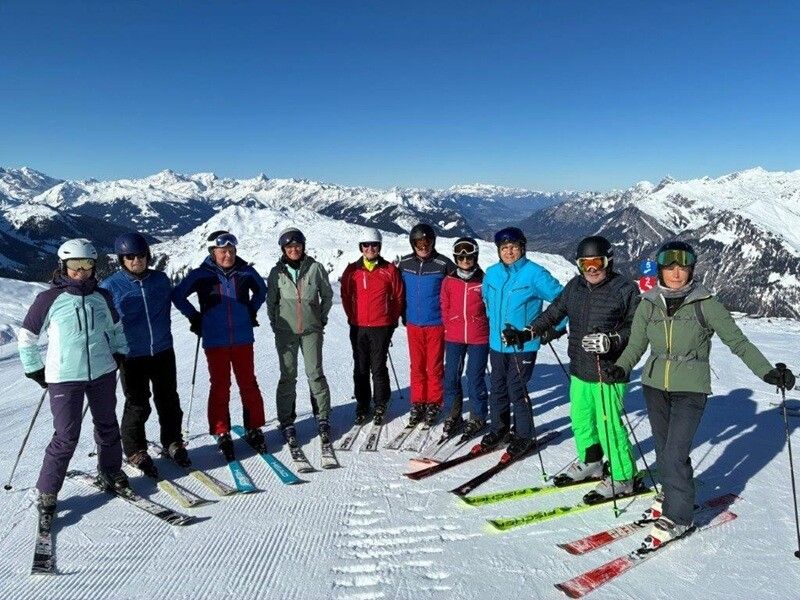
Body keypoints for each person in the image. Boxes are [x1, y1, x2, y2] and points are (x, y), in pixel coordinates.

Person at [605, 240, 796, 549]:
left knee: (675, 452)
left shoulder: (706, 304)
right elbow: (636, 345)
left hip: (691, 387)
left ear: (691, 270)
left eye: (682, 268)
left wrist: (767, 372)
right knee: (664, 449)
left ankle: (679, 517)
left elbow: (738, 342)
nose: (676, 273)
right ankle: (672, 493)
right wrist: (621, 367)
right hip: (654, 385)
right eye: (670, 267)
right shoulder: (648, 303)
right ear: (660, 271)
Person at [522, 235, 641, 502]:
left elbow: (636, 328)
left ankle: (623, 476)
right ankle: (592, 462)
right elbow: (554, 313)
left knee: (609, 426)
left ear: (608, 261)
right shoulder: (575, 286)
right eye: (585, 264)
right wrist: (529, 331)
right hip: (579, 368)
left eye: (597, 262)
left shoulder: (625, 289)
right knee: (581, 420)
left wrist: (611, 340)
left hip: (609, 371)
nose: (592, 269)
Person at [18, 238, 130, 517]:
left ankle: (110, 471)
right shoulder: (48, 299)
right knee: (66, 436)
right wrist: (34, 368)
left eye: (87, 264)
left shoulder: (102, 297)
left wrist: (120, 352)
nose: (81, 271)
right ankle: (47, 490)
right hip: (64, 376)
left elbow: (116, 328)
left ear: (94, 266)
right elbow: (27, 336)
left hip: (102, 372)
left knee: (107, 426)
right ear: (63, 265)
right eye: (75, 264)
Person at [172, 230, 267, 460]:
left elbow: (262, 291)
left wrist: (250, 310)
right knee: (220, 386)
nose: (228, 255)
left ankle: (254, 427)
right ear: (212, 252)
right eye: (222, 251)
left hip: (243, 338)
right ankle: (221, 430)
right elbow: (178, 295)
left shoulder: (245, 272)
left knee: (248, 383)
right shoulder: (201, 275)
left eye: (231, 250)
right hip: (215, 340)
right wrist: (195, 317)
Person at [100, 232, 188, 473]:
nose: (136, 260)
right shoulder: (110, 287)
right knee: (138, 404)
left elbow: (179, 300)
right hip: (131, 355)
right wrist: (108, 349)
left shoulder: (160, 280)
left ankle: (173, 442)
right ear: (122, 259)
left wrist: (196, 316)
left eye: (140, 255)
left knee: (169, 400)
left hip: (162, 350)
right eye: (130, 256)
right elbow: (102, 322)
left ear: (148, 256)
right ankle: (135, 450)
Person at [481, 227, 563, 458]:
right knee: (497, 388)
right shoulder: (492, 273)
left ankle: (524, 436)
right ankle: (499, 429)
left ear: (522, 248)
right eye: (504, 248)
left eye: (514, 247)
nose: (509, 252)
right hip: (497, 344)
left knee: (515, 389)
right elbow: (487, 301)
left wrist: (552, 329)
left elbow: (564, 301)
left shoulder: (535, 274)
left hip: (523, 345)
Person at [267, 227, 334, 446]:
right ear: (283, 249)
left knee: (315, 373)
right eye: (289, 247)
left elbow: (327, 295)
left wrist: (320, 318)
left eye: (297, 246)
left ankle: (323, 417)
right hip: (286, 332)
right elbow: (271, 302)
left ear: (303, 247)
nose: (294, 250)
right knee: (288, 375)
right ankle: (286, 420)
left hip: (311, 330)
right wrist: (276, 325)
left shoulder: (315, 268)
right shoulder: (276, 272)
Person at [340, 227, 404, 426]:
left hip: (381, 327)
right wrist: (352, 317)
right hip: (358, 326)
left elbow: (398, 297)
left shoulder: (389, 270)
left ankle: (380, 403)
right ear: (361, 247)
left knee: (377, 366)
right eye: (366, 245)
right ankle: (363, 402)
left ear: (379, 246)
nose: (370, 248)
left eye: (374, 245)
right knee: (360, 367)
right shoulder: (352, 270)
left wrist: (390, 321)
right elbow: (345, 296)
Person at [398, 224, 456, 427]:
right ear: (412, 243)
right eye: (419, 243)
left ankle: (434, 403)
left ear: (433, 242)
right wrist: (399, 314)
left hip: (436, 323)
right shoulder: (405, 264)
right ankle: (418, 402)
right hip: (413, 324)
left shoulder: (443, 264)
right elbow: (397, 291)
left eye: (427, 242)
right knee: (417, 366)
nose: (423, 247)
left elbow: (459, 285)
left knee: (434, 366)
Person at [439, 237, 490, 438]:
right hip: (454, 336)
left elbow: (491, 306)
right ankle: (453, 415)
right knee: (451, 376)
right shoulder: (449, 280)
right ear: (455, 258)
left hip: (479, 336)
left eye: (469, 256)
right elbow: (444, 304)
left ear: (475, 256)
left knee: (475, 377)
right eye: (460, 257)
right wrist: (450, 322)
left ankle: (478, 417)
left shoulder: (484, 280)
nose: (465, 260)